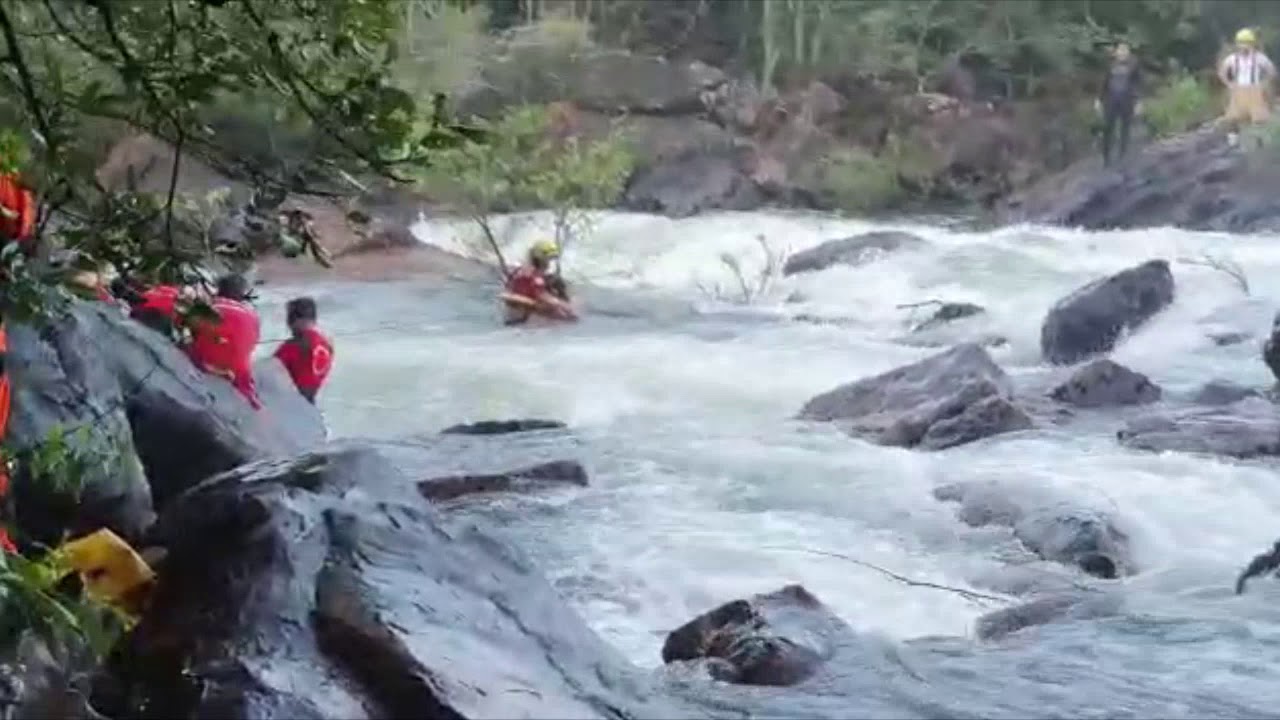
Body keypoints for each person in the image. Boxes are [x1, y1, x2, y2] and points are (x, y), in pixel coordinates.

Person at [187, 274, 261, 408]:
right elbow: (253, 344)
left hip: (205, 367)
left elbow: (192, 334)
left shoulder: (206, 308)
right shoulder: (252, 315)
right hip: (239, 373)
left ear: (219, 290)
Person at [1218, 28, 1276, 145]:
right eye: (1241, 43)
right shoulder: (1232, 59)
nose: (1244, 46)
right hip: (1238, 89)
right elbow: (1222, 72)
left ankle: (1258, 139)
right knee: (1233, 117)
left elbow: (1271, 71)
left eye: (1247, 43)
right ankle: (1233, 140)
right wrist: (1229, 84)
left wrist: (1264, 84)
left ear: (1252, 44)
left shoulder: (1259, 58)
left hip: (1254, 88)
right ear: (1237, 44)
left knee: (1258, 117)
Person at [500, 240, 578, 326]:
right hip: (528, 312)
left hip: (518, 309)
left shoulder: (519, 270)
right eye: (549, 259)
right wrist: (565, 306)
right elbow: (542, 296)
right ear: (541, 259)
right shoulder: (535, 277)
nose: (549, 263)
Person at [273, 296, 334, 404]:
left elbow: (269, 372)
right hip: (311, 402)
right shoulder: (327, 344)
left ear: (296, 320)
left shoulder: (292, 346)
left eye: (289, 318)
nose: (288, 325)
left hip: (293, 405)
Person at [1095, 42, 1143, 167]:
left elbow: (1138, 84)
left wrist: (1138, 101)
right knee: (1108, 128)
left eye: (1125, 51)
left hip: (1127, 100)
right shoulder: (1110, 64)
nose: (1122, 53)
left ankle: (1123, 156)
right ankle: (1106, 158)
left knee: (1125, 128)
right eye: (1120, 50)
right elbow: (1103, 83)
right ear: (1116, 52)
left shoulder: (1134, 64)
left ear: (1128, 52)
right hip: (1111, 99)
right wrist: (1098, 100)